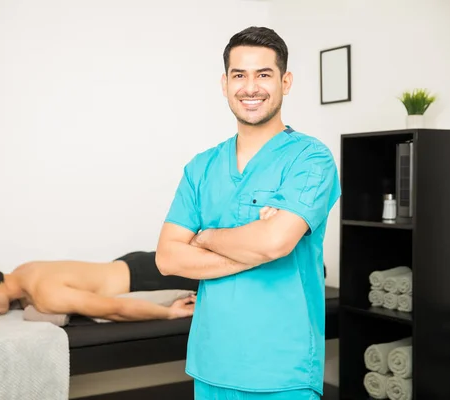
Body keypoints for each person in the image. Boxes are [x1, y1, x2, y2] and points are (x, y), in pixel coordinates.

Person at [155, 26, 341, 399]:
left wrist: (204, 237)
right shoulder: (201, 167)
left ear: (285, 82)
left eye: (264, 75)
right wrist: (255, 244)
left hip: (281, 370)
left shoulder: (311, 159)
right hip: (211, 363)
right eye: (239, 75)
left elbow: (274, 243)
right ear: (225, 84)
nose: (250, 87)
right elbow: (167, 257)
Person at [0, 251, 198, 321]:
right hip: (130, 263)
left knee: (231, 277)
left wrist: (169, 312)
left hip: (147, 278)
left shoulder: (45, 295)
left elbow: (114, 308)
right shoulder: (24, 271)